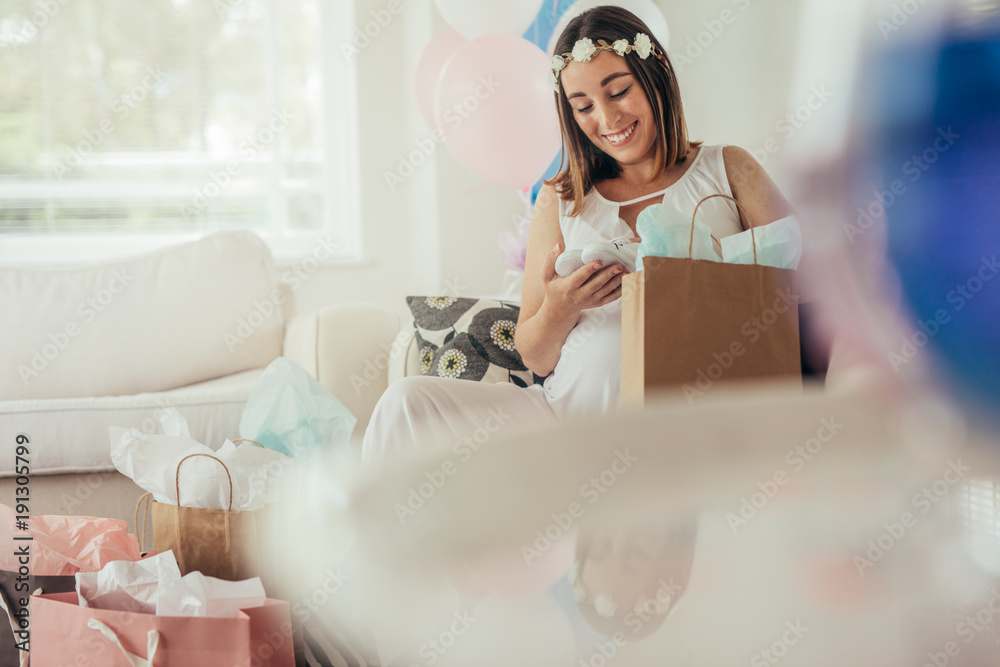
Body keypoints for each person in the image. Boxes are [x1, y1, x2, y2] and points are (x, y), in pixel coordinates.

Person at [361, 5, 795, 463]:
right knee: (405, 404)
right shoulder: (562, 197)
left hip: (691, 421)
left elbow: (806, 287)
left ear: (657, 74)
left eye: (618, 91)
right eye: (583, 106)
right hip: (567, 418)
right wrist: (561, 305)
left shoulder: (727, 169)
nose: (606, 119)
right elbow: (537, 358)